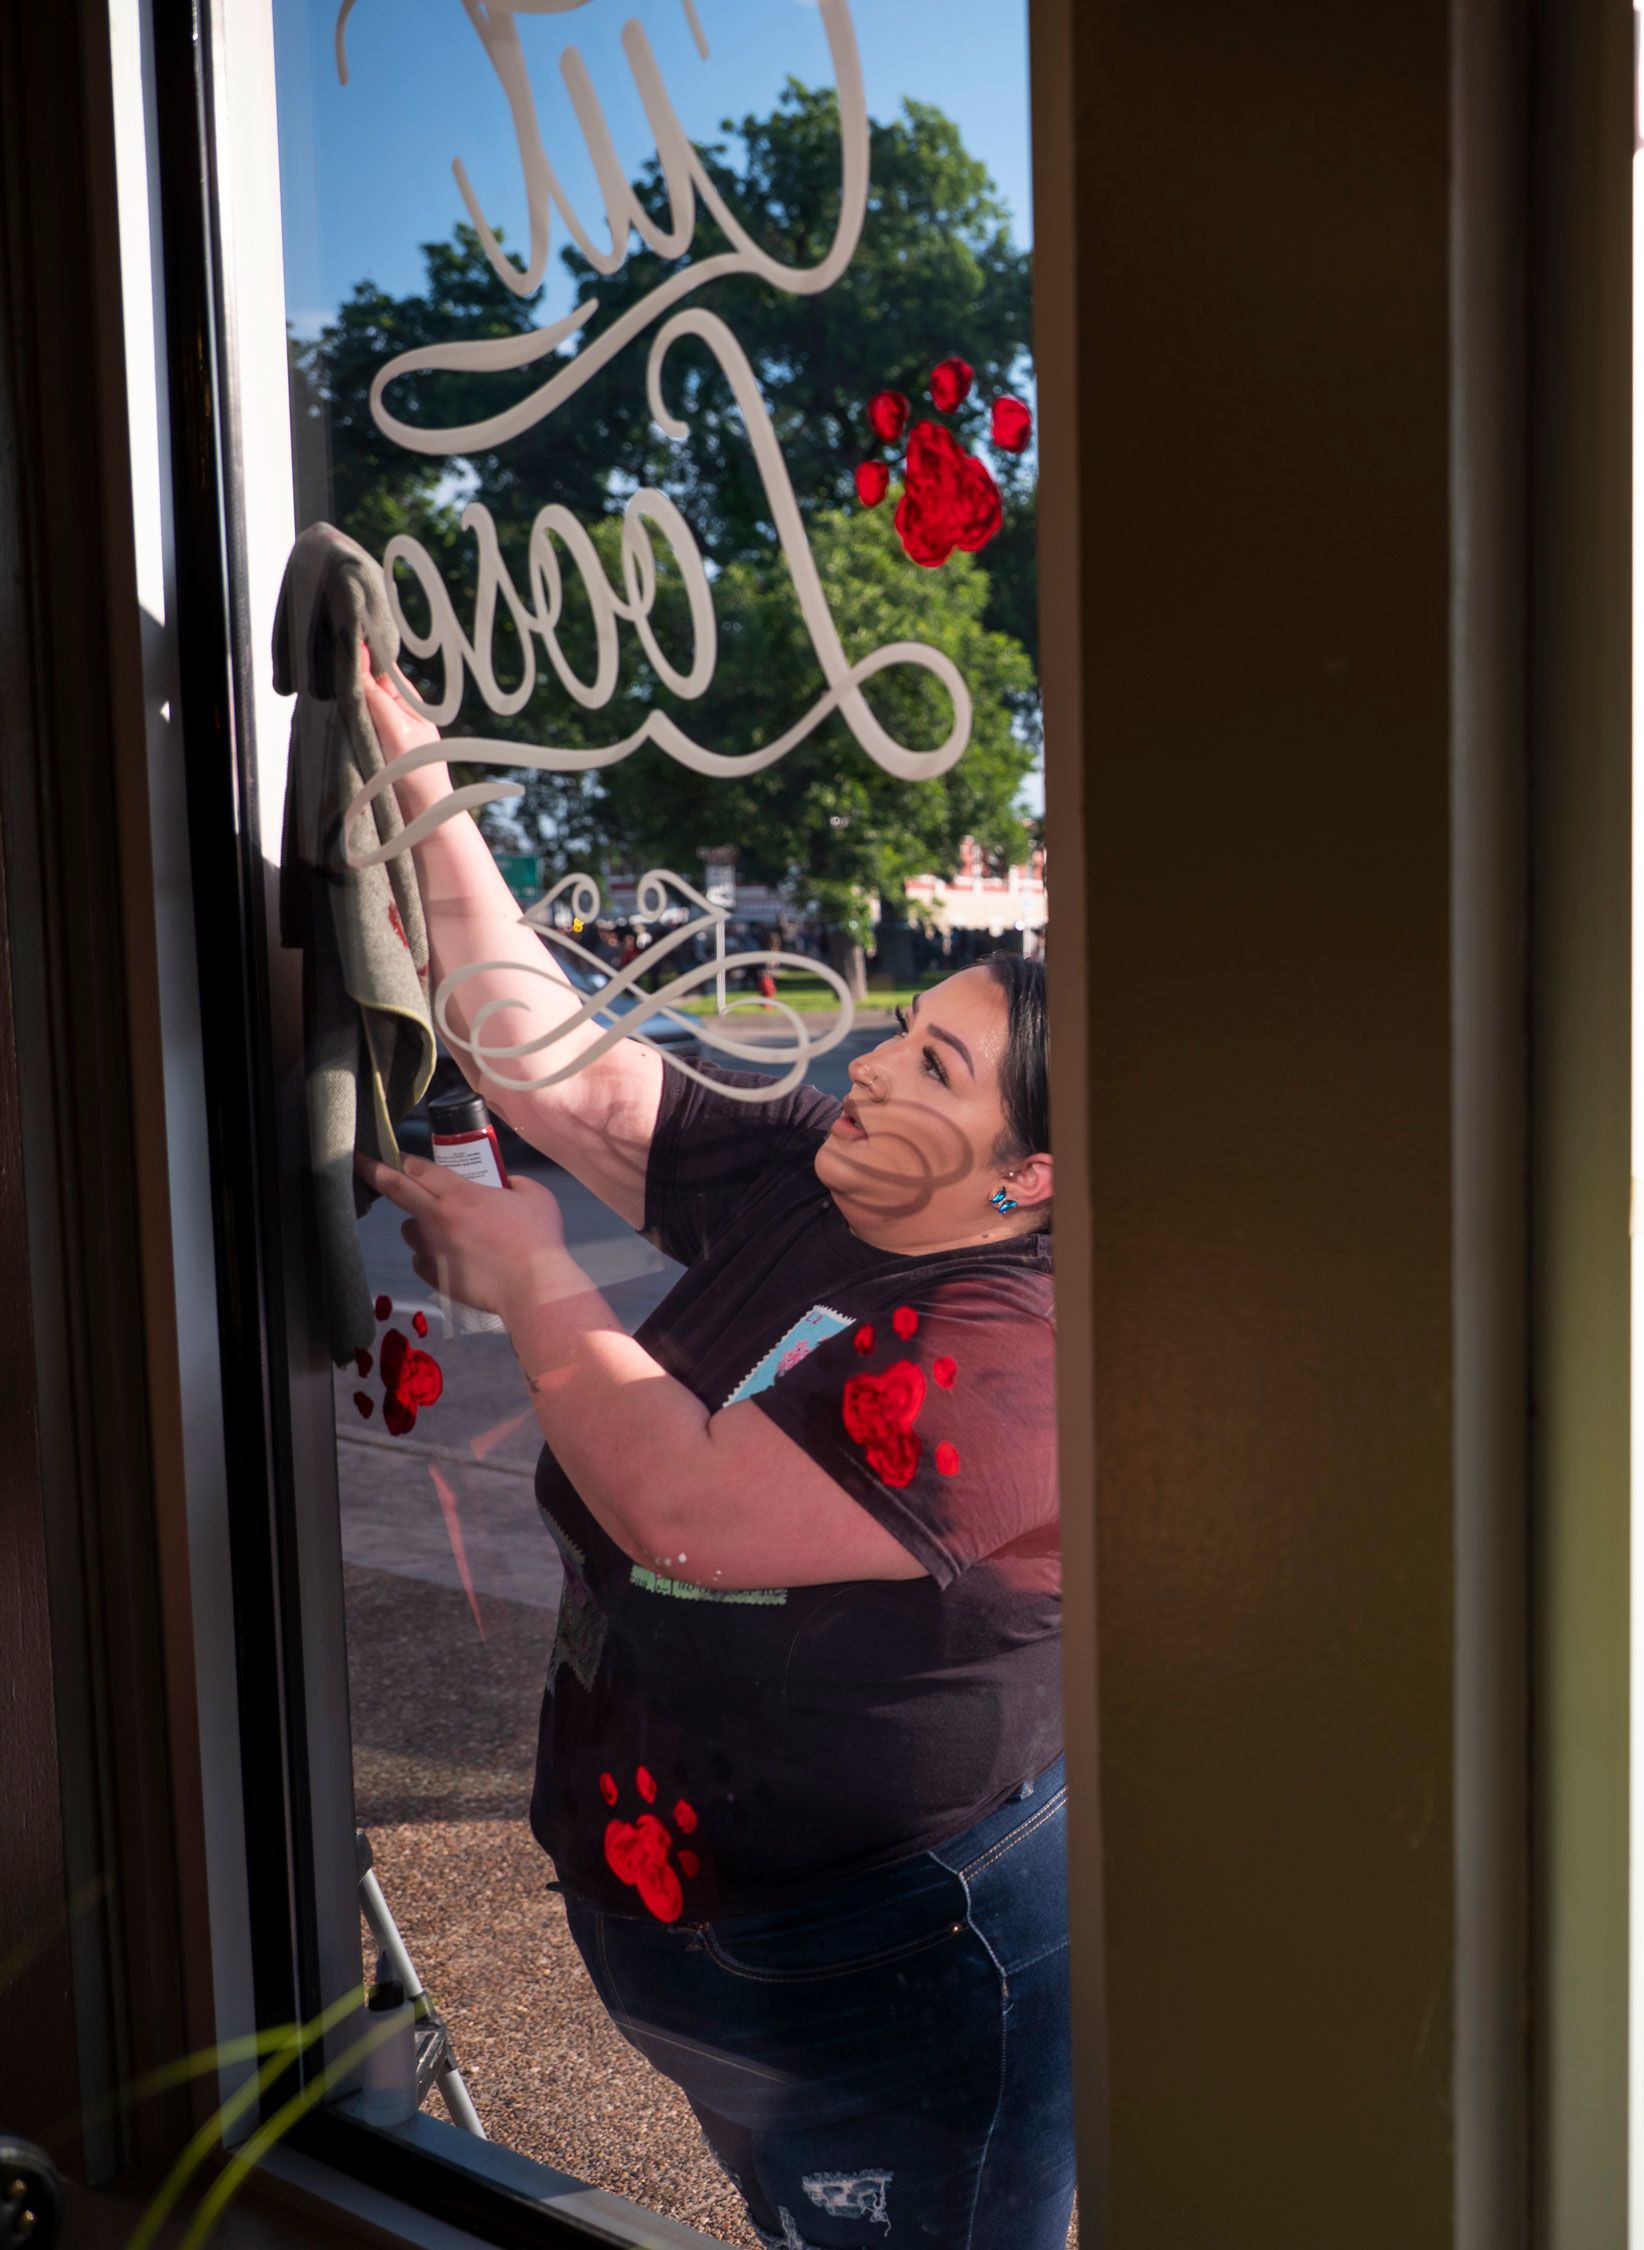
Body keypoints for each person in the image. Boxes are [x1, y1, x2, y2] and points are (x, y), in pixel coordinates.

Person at [353, 653, 1072, 2250]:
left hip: (887, 1952)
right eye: (900, 1029)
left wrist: (537, 1277)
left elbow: (688, 1509)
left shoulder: (1024, 1351)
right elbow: (565, 1071)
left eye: (935, 1066)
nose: (870, 1066)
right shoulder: (837, 1170)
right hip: (702, 1925)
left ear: (1029, 1179)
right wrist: (414, 773)